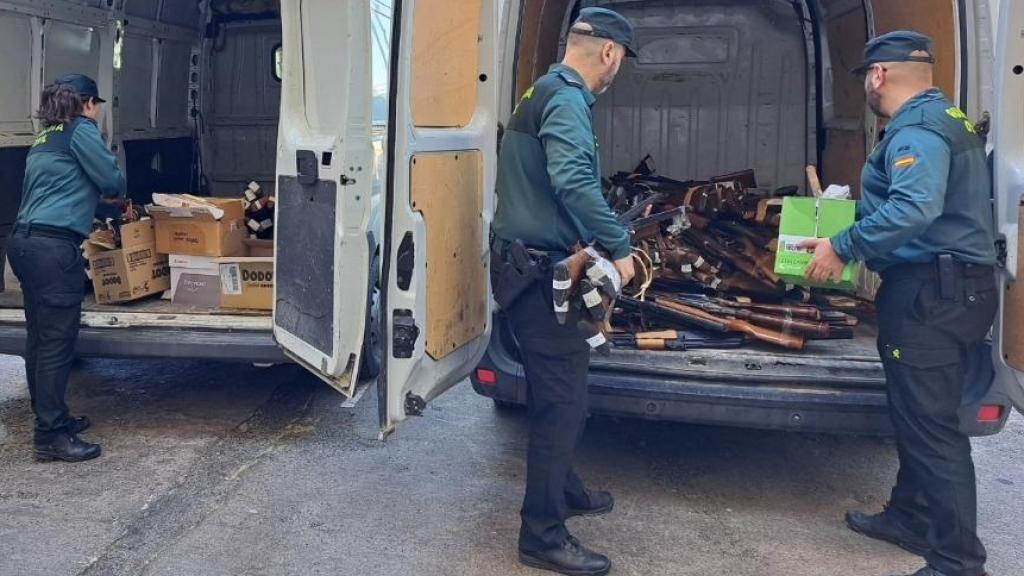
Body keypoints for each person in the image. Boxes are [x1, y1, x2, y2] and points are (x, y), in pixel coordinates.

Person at [799, 31, 997, 576]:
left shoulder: (918, 129)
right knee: (918, 415)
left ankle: (958, 562)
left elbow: (915, 208)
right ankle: (909, 517)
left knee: (934, 429)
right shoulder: (950, 118)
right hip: (953, 288)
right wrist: (851, 215)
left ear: (879, 75)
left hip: (932, 292)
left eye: (866, 75)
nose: (867, 84)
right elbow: (909, 201)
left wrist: (843, 246)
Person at [491, 7, 636, 576]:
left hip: (530, 267)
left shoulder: (540, 90)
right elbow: (573, 181)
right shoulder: (569, 99)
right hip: (540, 272)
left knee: (564, 391)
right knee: (561, 402)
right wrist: (619, 245)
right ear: (609, 53)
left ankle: (567, 488)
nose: (614, 71)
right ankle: (542, 534)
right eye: (618, 62)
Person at [9, 73, 125, 462]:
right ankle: (50, 436)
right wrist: (115, 196)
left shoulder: (46, 137)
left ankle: (52, 417)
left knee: (39, 341)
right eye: (96, 106)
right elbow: (111, 179)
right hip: (53, 251)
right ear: (89, 103)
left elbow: (59, 188)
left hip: (24, 243)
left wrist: (99, 207)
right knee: (57, 346)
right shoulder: (81, 129)